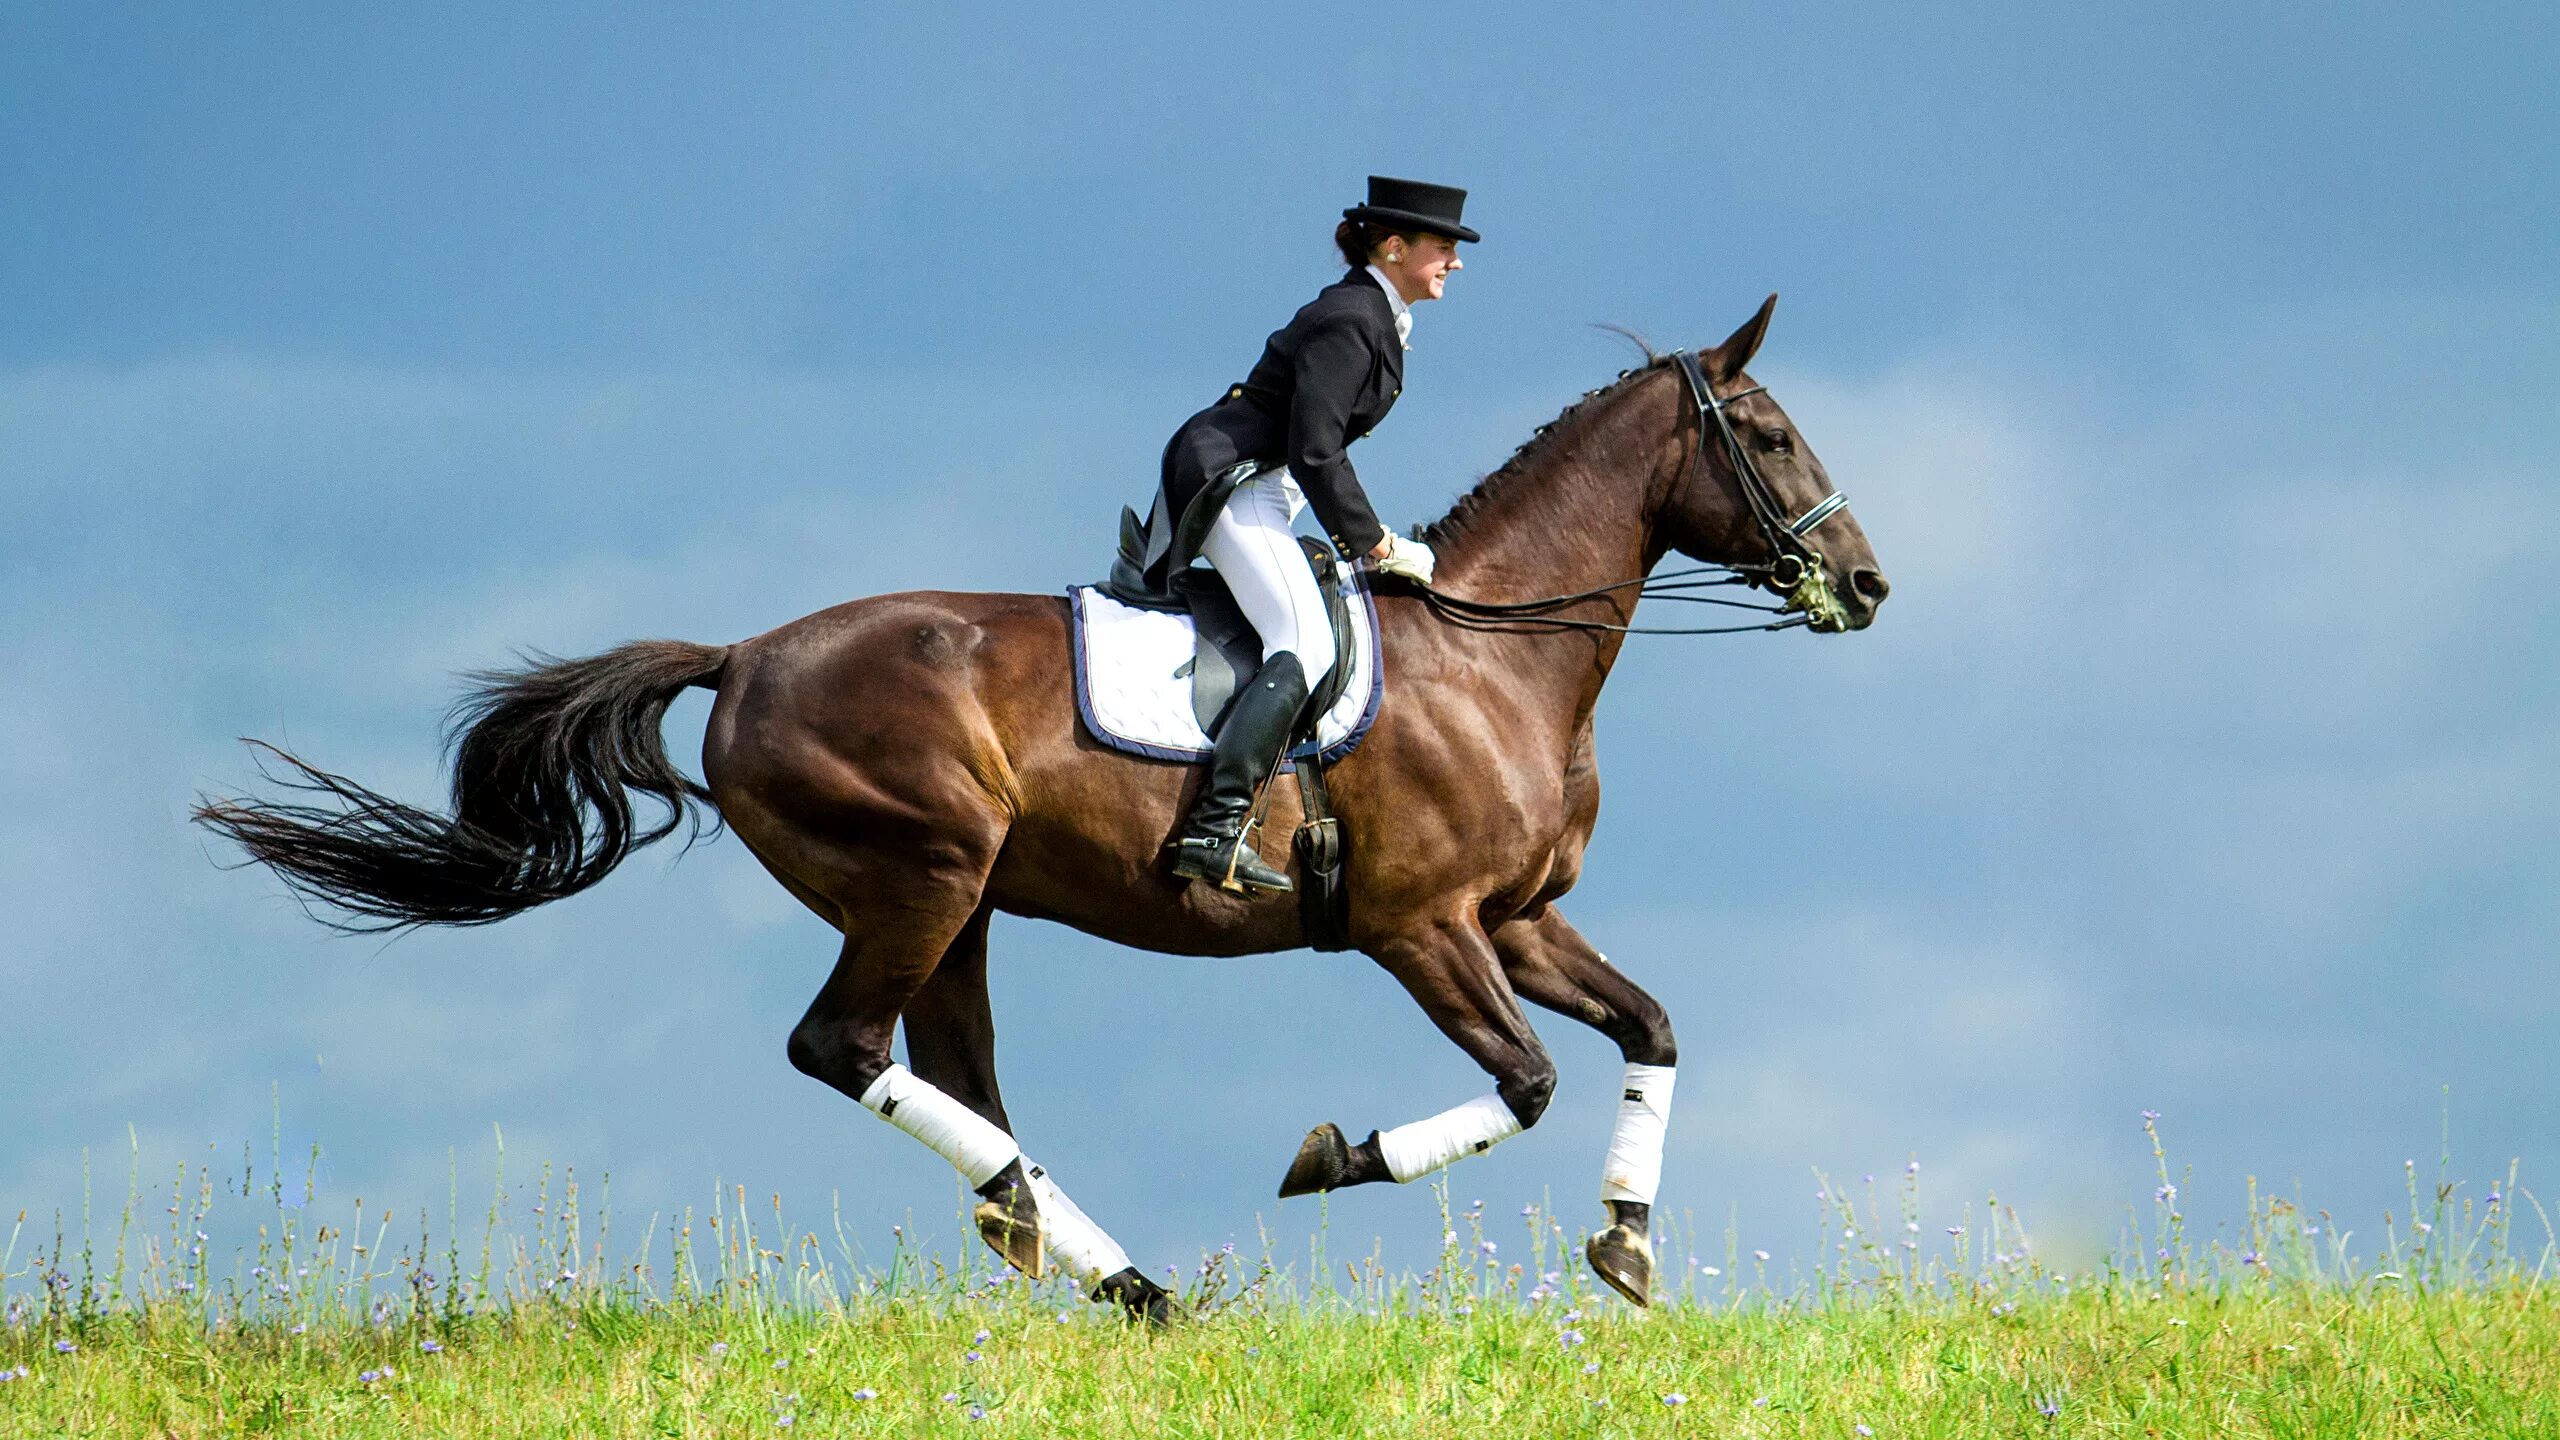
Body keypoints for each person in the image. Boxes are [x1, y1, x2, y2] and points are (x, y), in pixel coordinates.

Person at [1149, 175, 1475, 894]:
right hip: (1233, 481)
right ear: (1395, 247)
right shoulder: (1354, 319)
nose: (1455, 263)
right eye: (1443, 248)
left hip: (1269, 487)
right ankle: (1217, 827)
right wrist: (1376, 543)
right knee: (1307, 641)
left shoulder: (1377, 315)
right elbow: (1317, 450)